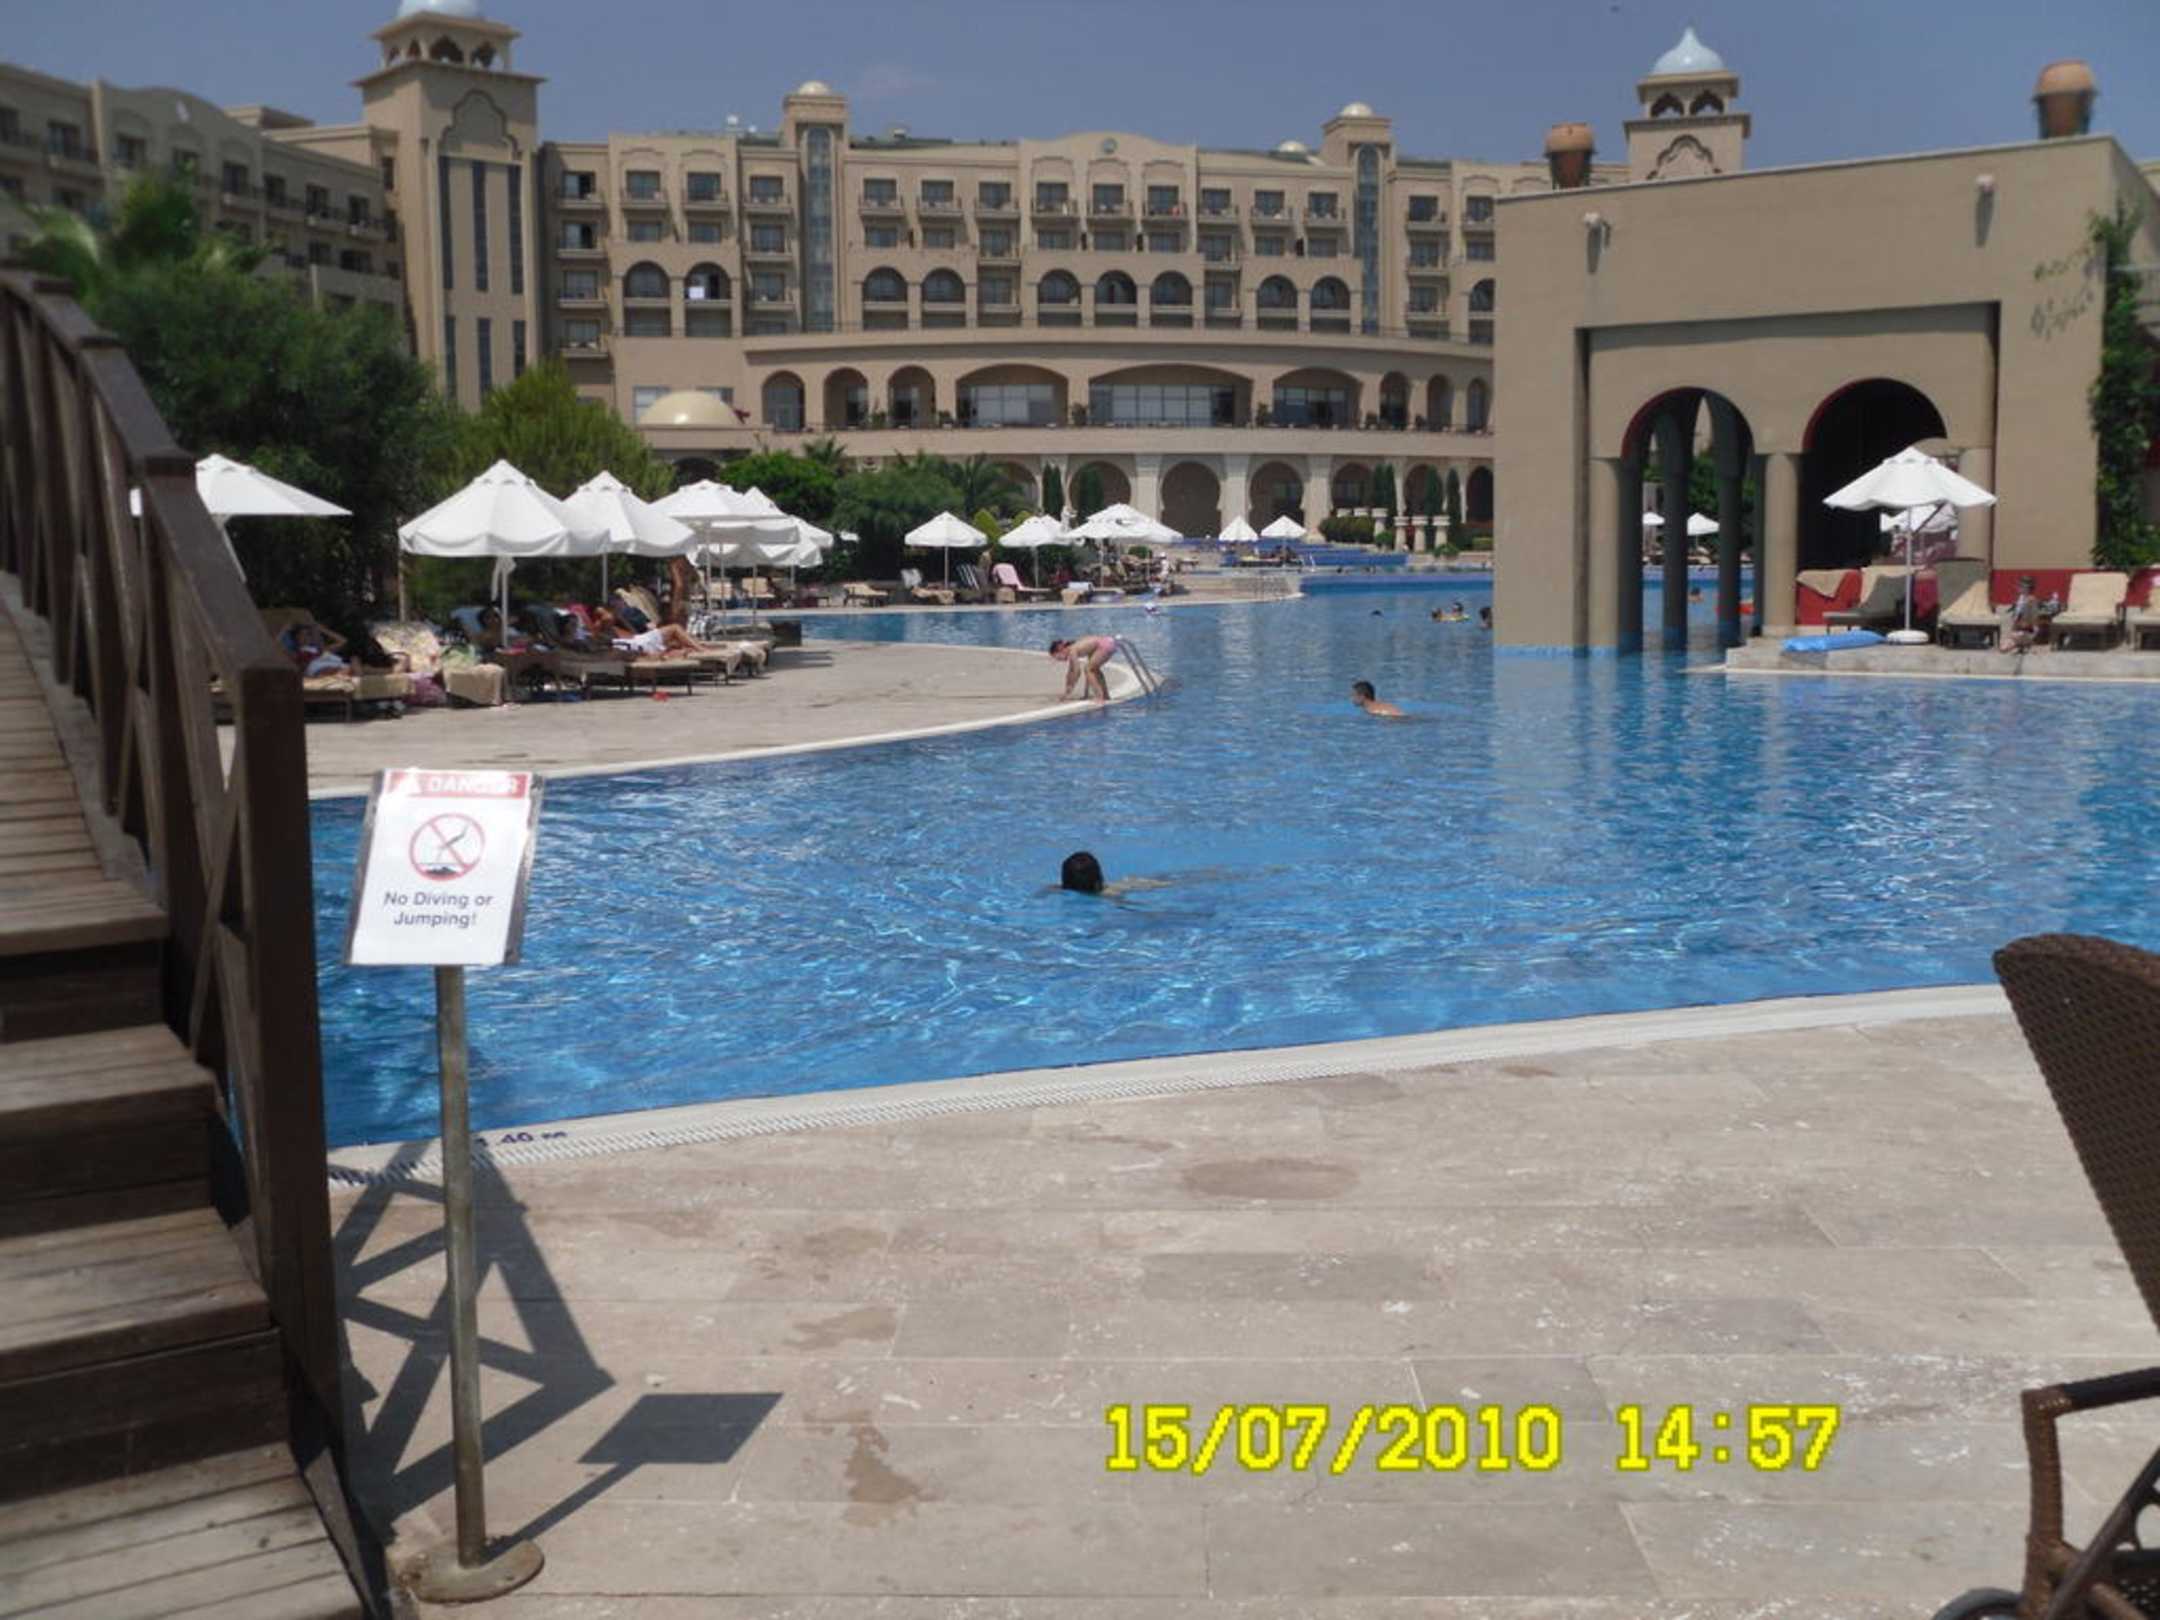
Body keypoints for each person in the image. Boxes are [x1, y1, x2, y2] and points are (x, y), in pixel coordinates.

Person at [1050, 635, 1117, 702]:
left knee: (1088, 669)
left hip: (1104, 645)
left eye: (1058, 657)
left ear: (1060, 649)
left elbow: (1077, 672)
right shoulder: (1077, 648)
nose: (1059, 660)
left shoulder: (1072, 651)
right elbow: (1071, 673)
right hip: (1108, 642)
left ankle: (1099, 697)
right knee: (1093, 670)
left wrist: (1068, 691)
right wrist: (1086, 693)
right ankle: (1105, 695)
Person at [2000, 575, 2043, 655]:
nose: (2018, 588)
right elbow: (2016, 616)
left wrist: (2033, 628)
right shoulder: (2020, 598)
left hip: (2027, 630)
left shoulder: (2032, 600)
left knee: (2015, 639)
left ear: (2026, 588)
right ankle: (2021, 646)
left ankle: (2025, 644)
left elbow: (2034, 617)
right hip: (2018, 629)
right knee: (2003, 648)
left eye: (2020, 586)